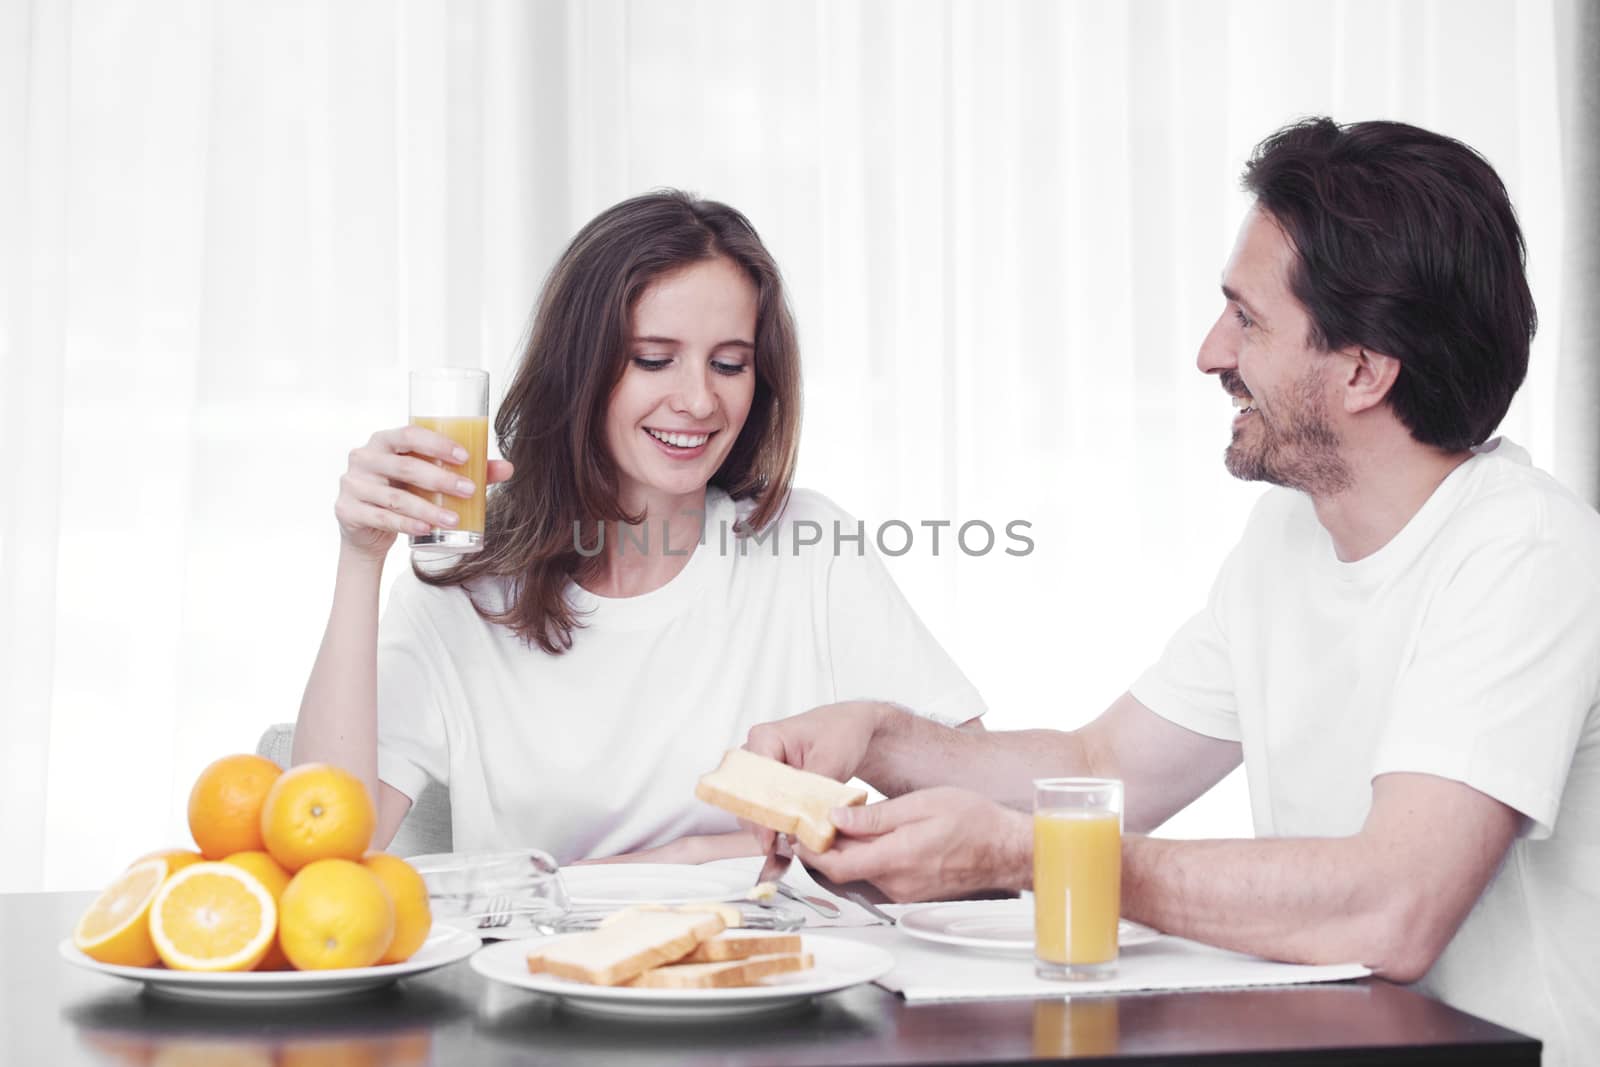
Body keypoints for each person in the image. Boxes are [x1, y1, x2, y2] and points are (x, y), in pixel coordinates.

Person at [745, 118, 1600, 1062]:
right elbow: (1105, 762)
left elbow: (1393, 906)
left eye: (1247, 318)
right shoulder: (1289, 534)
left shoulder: (1523, 552)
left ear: (1362, 370)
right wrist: (878, 735)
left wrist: (1028, 854)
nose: (1208, 353)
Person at [294, 190, 984, 865]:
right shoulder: (466, 585)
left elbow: (981, 812)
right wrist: (361, 556)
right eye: (654, 359)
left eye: (730, 364)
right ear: (579, 370)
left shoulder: (809, 547)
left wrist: (697, 852)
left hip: (771, 974)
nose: (697, 399)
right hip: (540, 976)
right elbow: (328, 850)